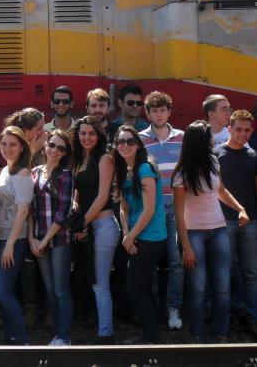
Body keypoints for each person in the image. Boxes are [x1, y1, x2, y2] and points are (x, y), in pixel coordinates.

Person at [172, 120, 248, 343]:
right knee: (197, 287)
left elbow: (221, 191)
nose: (214, 139)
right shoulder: (181, 174)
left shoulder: (214, 161)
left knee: (222, 285)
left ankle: (220, 333)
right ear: (202, 141)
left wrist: (240, 208)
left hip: (218, 229)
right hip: (193, 233)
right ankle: (197, 335)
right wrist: (186, 246)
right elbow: (179, 214)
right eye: (210, 136)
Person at [215, 110, 257, 341]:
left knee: (251, 274)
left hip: (252, 222)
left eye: (247, 130)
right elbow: (215, 191)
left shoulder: (255, 157)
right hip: (224, 221)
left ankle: (255, 319)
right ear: (229, 129)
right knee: (225, 273)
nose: (243, 134)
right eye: (238, 129)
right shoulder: (217, 155)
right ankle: (223, 324)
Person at [138, 91, 185, 331]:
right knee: (152, 261)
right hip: (152, 208)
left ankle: (173, 307)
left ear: (169, 112)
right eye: (154, 111)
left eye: (162, 110)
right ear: (148, 113)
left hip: (177, 206)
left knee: (177, 261)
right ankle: (154, 306)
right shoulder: (140, 139)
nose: (158, 114)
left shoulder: (182, 137)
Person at [114, 124, 165, 344]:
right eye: (121, 142)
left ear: (138, 145)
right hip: (135, 235)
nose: (125, 145)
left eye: (130, 141)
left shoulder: (145, 169)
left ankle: (150, 337)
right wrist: (126, 233)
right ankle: (151, 334)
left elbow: (149, 209)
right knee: (142, 287)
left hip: (151, 237)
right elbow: (124, 207)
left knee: (134, 288)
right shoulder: (125, 169)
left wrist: (131, 236)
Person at [70, 115, 119, 343]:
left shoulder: (104, 158)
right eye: (83, 133)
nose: (87, 137)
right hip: (89, 227)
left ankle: (106, 335)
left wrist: (82, 223)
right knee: (92, 279)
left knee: (100, 283)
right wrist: (76, 213)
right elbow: (77, 193)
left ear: (99, 135)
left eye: (91, 133)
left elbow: (102, 197)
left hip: (103, 226)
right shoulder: (79, 159)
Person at [29, 130, 74, 346]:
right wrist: (32, 239)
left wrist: (45, 240)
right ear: (46, 146)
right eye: (52, 145)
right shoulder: (35, 172)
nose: (55, 150)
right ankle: (57, 333)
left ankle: (64, 335)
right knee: (49, 289)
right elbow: (29, 208)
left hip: (58, 239)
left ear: (65, 153)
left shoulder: (66, 175)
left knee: (60, 289)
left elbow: (63, 212)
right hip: (38, 238)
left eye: (60, 148)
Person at [0, 126, 34, 345]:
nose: (7, 148)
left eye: (13, 144)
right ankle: (10, 337)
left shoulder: (23, 173)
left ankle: (21, 339)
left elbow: (23, 211)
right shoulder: (6, 170)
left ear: (21, 147)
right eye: (4, 144)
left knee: (2, 289)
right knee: (5, 290)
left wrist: (10, 244)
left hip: (13, 239)